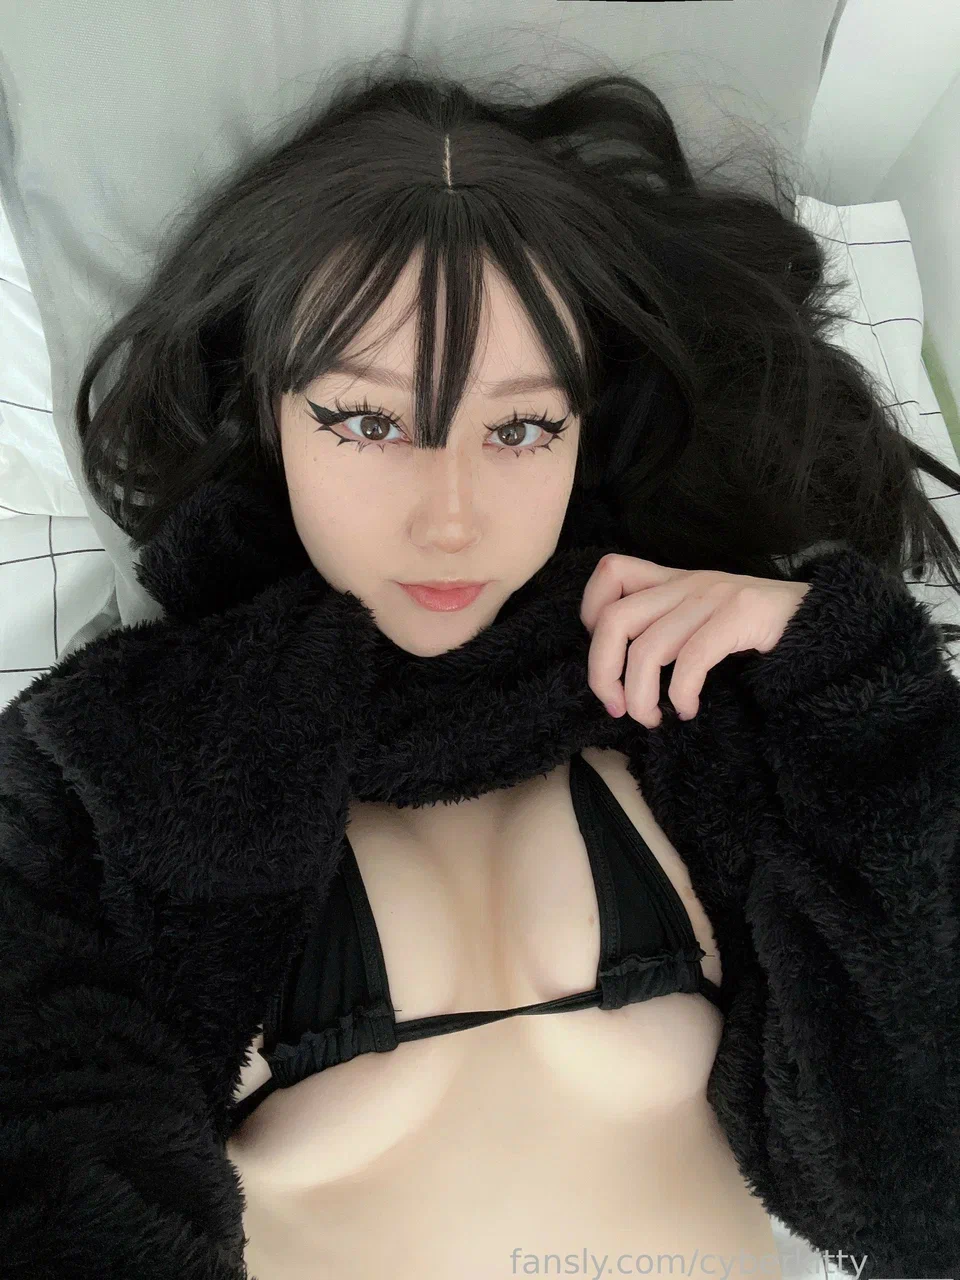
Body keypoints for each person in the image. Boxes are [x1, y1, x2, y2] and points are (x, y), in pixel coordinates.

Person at [3, 52, 960, 1280]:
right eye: (369, 420)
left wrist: (855, 697)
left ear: (582, 426)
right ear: (266, 408)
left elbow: (918, 1177)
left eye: (519, 427)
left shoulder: (704, 703)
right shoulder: (117, 761)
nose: (451, 518)